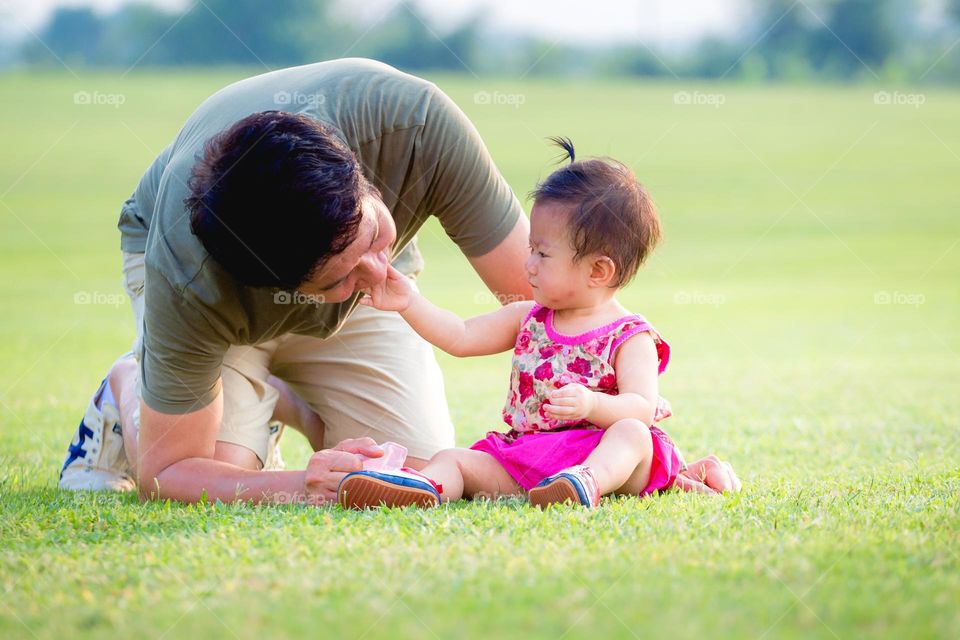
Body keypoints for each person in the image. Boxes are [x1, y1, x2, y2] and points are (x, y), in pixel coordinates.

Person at [57, 58, 533, 505]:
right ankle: (133, 381)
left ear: (363, 181)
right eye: (340, 277)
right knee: (226, 469)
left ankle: (288, 402)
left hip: (322, 262)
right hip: (213, 297)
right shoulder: (188, 278)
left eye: (374, 236)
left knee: (405, 472)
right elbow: (170, 471)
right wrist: (303, 484)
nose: (378, 274)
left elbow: (543, 299)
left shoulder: (419, 126)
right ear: (279, 290)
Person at [338, 139, 741, 509]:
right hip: (528, 459)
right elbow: (461, 336)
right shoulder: (528, 317)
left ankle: (585, 482)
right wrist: (410, 302)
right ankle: (425, 486)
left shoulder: (630, 337)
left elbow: (641, 407)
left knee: (631, 434)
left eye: (542, 254)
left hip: (604, 455)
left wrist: (592, 404)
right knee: (453, 458)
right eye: (531, 248)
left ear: (598, 271)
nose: (528, 264)